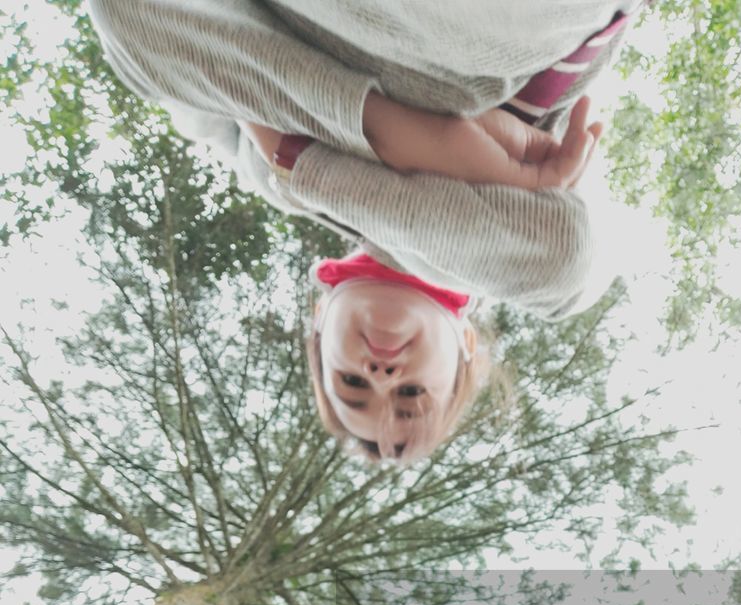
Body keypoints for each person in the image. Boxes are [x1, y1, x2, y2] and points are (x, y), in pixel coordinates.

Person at [86, 0, 638, 461]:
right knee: (568, 275)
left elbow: (151, 41)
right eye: (409, 393)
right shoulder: (516, 256)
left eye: (353, 384)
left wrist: (306, 160)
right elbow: (570, 254)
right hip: (490, 33)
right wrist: (282, 131)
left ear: (321, 322)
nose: (379, 372)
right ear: (465, 346)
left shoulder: (262, 172)